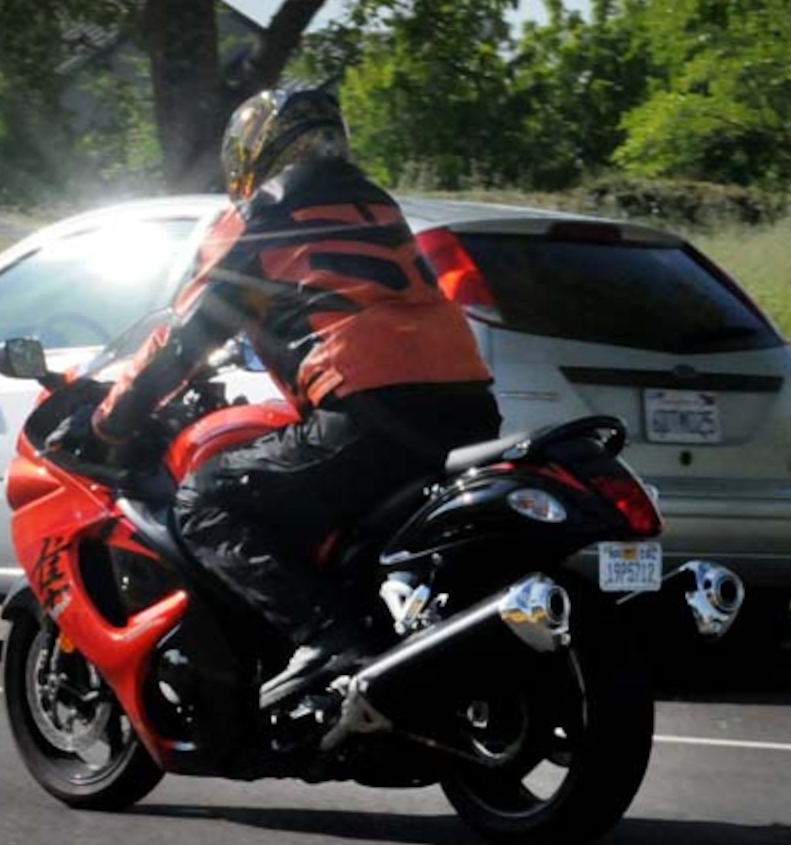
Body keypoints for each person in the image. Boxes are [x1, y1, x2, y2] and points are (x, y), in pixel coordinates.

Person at [87, 87, 500, 708]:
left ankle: (329, 639)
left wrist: (112, 419)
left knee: (207, 499)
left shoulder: (261, 217)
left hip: (370, 409)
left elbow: (185, 338)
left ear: (254, 155)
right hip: (469, 404)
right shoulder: (376, 205)